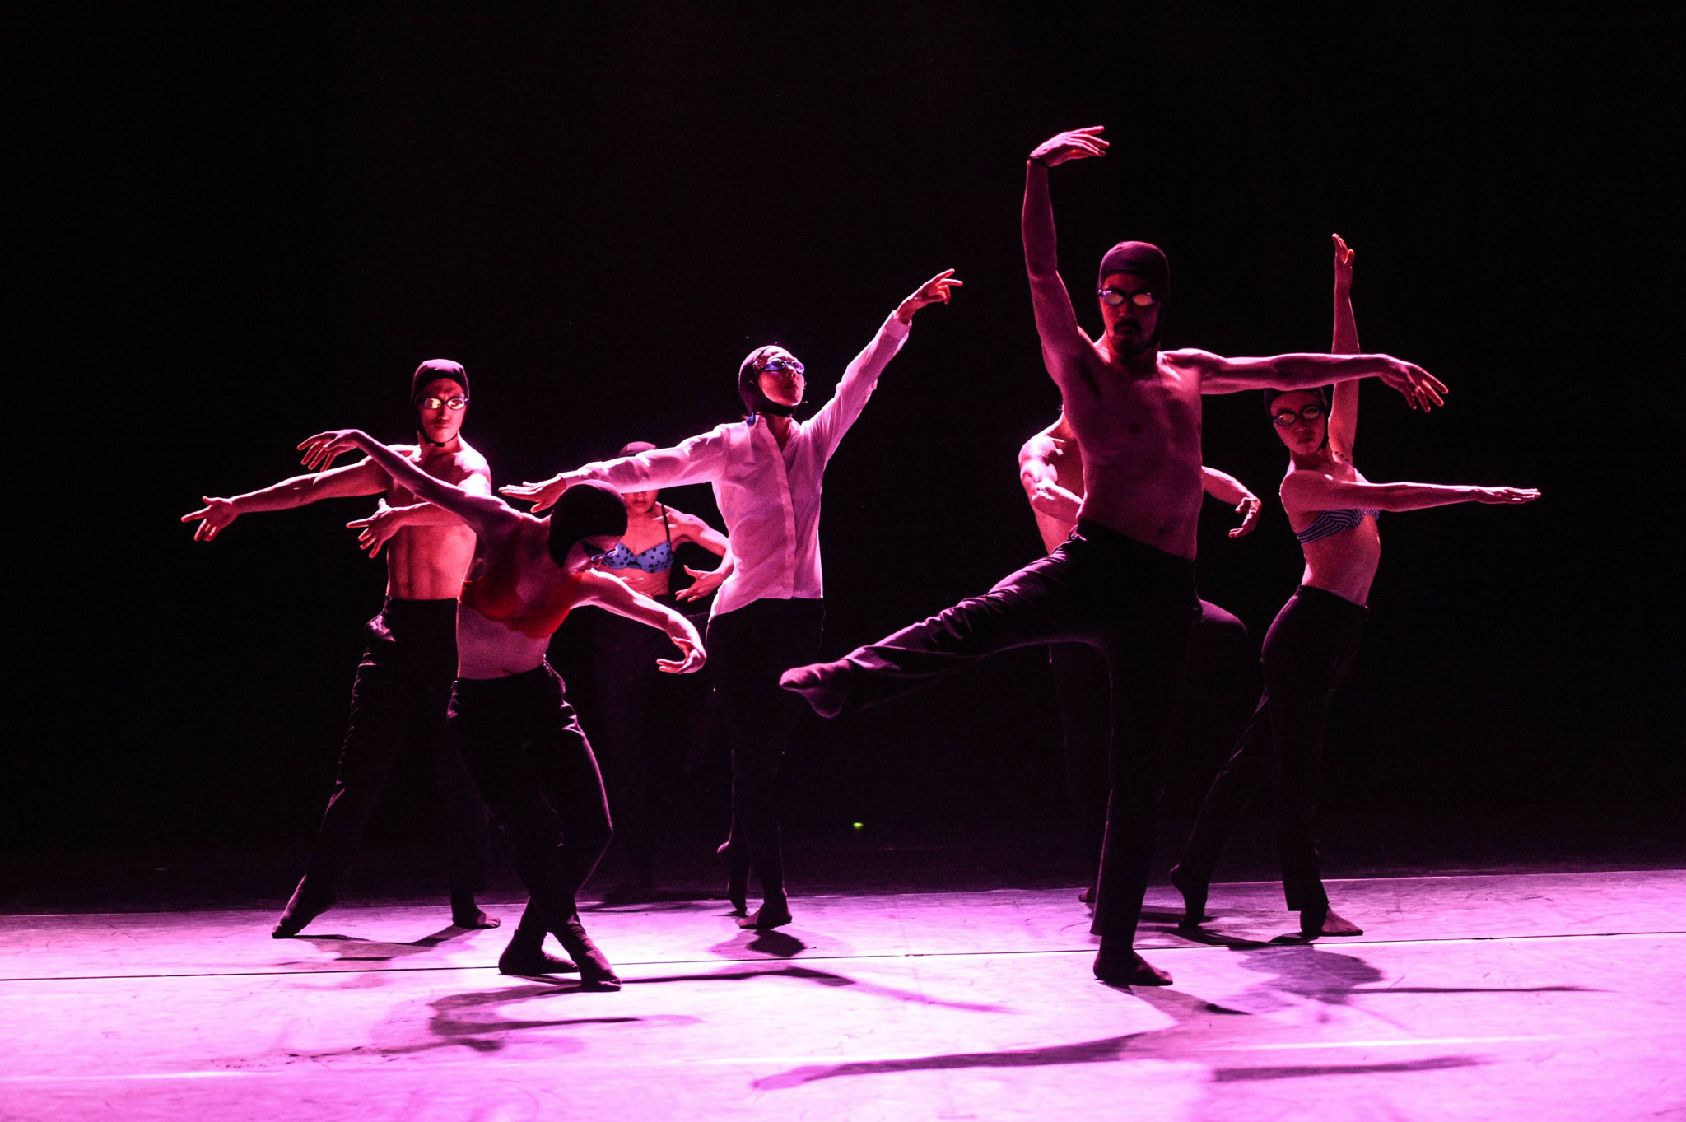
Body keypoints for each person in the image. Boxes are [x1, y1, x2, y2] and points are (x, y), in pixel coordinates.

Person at [780, 126, 1446, 987]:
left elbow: (1282, 365)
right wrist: (1036, 174)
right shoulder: (1080, 367)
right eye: (1114, 294)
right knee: (976, 622)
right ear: (1100, 298)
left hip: (1166, 591)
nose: (1126, 308)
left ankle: (1118, 947)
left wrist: (1375, 360)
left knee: (1139, 776)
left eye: (1141, 297)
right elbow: (1040, 274)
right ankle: (845, 680)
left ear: (1160, 304)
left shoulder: (1189, 370)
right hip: (1096, 563)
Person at [502, 270, 963, 930]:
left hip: (802, 616)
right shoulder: (727, 445)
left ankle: (740, 848)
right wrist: (569, 481)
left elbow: (861, 379)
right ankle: (771, 893)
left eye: (796, 365)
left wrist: (904, 312)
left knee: (769, 757)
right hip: (743, 620)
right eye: (777, 364)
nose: (792, 371)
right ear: (752, 383)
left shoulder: (815, 440)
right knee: (753, 756)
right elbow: (648, 467)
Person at [1171, 235, 1540, 939]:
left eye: (1308, 412)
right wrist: (1473, 493)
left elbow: (1347, 372)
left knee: (1255, 761)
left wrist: (1342, 295)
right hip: (1307, 631)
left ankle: (1192, 870)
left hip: (1338, 629)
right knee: (1295, 773)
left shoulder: (1339, 451)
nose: (1301, 424)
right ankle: (1309, 904)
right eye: (1285, 418)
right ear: (1275, 427)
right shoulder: (1299, 485)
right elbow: (1391, 498)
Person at [297, 427, 706, 990]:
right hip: (481, 710)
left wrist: (689, 637)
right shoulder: (502, 527)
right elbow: (425, 485)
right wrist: (365, 442)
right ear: (567, 529)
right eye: (594, 548)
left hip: (539, 699)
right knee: (534, 828)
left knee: (594, 827)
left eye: (606, 553)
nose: (598, 561)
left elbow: (652, 611)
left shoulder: (584, 581)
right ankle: (573, 937)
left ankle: (526, 946)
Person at [182, 360, 497, 938]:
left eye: (454, 400)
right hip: (395, 627)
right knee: (360, 769)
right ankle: (316, 889)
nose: (443, 410)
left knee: (460, 770)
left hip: (450, 632)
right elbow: (311, 488)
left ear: (467, 406)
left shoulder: (470, 465)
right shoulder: (395, 463)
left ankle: (465, 898)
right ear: (417, 404)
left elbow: (464, 504)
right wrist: (237, 505)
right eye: (433, 399)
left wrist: (400, 516)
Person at [1019, 413, 1261, 902]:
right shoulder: (1043, 448)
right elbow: (1042, 491)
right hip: (1076, 605)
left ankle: (1196, 813)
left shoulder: (1120, 433)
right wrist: (1104, 519)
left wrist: (1239, 493)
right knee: (1089, 747)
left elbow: (1188, 469)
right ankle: (1102, 875)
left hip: (1136, 601)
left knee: (1228, 633)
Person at [572, 441, 733, 901]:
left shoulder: (676, 522)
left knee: (671, 737)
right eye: (632, 484)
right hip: (614, 633)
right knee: (623, 750)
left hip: (660, 628)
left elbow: (734, 547)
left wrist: (717, 576)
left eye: (650, 483)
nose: (640, 494)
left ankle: (697, 844)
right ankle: (632, 863)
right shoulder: (600, 522)